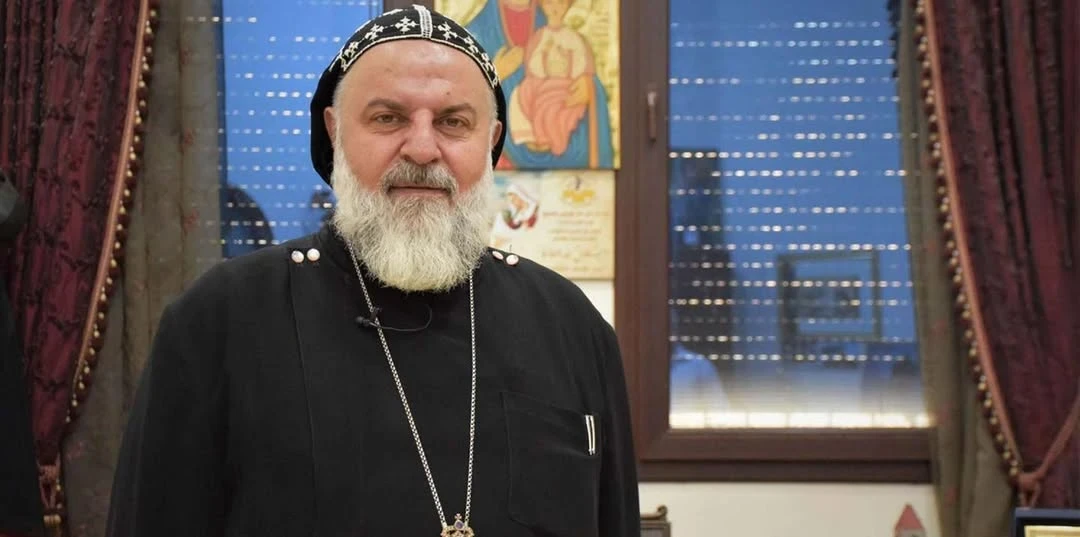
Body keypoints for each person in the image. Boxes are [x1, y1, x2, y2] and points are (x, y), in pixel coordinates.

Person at [104, 5, 639, 537]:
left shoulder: (572, 329)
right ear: (335, 131)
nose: (423, 149)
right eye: (388, 118)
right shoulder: (219, 322)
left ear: (491, 141)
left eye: (454, 122)